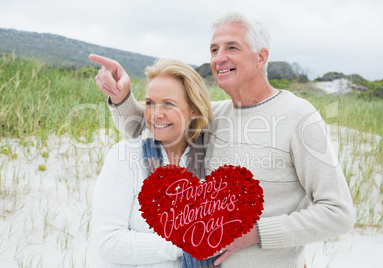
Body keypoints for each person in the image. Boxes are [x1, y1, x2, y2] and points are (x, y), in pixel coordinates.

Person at [90, 10, 355, 268]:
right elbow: (153, 125)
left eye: (232, 48)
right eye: (214, 50)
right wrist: (121, 96)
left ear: (261, 57)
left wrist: (255, 233)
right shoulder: (215, 114)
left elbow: (338, 212)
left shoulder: (300, 117)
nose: (219, 58)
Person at [92, 57, 221, 267]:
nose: (156, 114)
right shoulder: (125, 156)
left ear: (194, 110)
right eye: (150, 103)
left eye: (168, 104)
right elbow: (109, 244)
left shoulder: (209, 159)